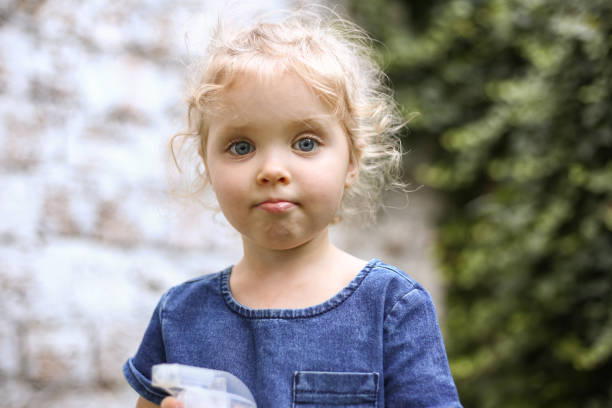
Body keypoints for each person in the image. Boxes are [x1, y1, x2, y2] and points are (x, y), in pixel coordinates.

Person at [124, 6, 462, 408]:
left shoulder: (392, 306)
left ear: (352, 160)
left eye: (305, 143)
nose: (271, 170)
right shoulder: (179, 317)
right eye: (241, 146)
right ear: (207, 164)